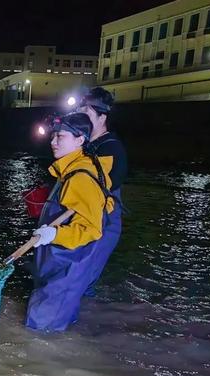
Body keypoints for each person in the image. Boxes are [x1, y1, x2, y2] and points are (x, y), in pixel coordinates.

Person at [25, 113, 115, 331]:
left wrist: (55, 234)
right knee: (57, 325)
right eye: (53, 136)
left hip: (66, 268)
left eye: (61, 137)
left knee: (38, 332)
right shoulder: (71, 170)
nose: (53, 142)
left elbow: (92, 230)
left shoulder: (81, 177)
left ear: (80, 140)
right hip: (58, 265)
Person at [76, 87, 127, 296]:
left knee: (84, 279)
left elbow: (107, 186)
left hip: (104, 222)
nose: (82, 118)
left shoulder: (112, 148)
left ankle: (83, 322)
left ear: (102, 116)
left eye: (87, 113)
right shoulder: (87, 144)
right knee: (74, 272)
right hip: (84, 218)